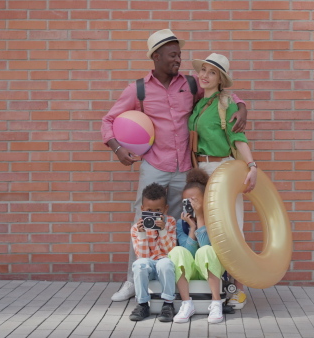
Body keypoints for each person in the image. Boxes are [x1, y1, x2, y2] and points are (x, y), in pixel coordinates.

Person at [100, 29, 249, 302]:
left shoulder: (190, 85)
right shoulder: (138, 89)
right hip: (155, 166)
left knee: (182, 226)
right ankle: (134, 280)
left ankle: (177, 282)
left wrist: (241, 106)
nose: (178, 59)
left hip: (184, 170)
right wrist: (118, 149)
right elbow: (108, 121)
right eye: (172, 55)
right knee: (148, 222)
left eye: (179, 54)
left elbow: (220, 92)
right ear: (155, 56)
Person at [188, 53, 257, 309]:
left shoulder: (225, 103)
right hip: (201, 170)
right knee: (208, 228)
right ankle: (215, 286)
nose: (204, 75)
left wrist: (252, 165)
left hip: (223, 168)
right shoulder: (197, 105)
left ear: (220, 79)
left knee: (232, 228)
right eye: (203, 70)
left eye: (212, 72)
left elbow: (238, 136)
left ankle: (239, 290)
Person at [168, 168, 225, 324]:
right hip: (192, 270)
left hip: (211, 269)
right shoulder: (181, 224)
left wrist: (200, 217)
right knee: (178, 250)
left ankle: (216, 302)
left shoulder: (214, 220)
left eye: (194, 200)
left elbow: (206, 247)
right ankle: (187, 304)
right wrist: (192, 228)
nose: (190, 204)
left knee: (205, 250)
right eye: (186, 201)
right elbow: (187, 254)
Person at [129, 182, 177, 322]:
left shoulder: (171, 223)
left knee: (166, 263)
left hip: (163, 263)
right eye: (149, 211)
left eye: (158, 211)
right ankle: (142, 304)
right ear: (142, 209)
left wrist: (162, 231)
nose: (154, 215)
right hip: (148, 265)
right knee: (139, 265)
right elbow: (142, 257)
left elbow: (170, 252)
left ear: (165, 209)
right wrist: (142, 234)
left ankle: (168, 304)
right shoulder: (136, 228)